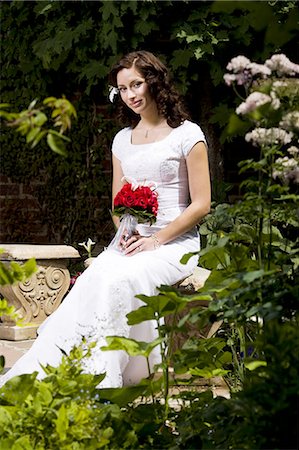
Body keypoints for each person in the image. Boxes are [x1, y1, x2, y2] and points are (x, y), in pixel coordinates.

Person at [0, 50, 211, 389]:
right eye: (123, 88)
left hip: (173, 244)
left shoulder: (187, 134)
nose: (131, 95)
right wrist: (125, 233)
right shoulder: (121, 140)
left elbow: (201, 204)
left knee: (119, 280)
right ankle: (72, 366)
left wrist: (156, 240)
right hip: (132, 240)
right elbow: (118, 203)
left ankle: (108, 375)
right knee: (95, 275)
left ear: (154, 82)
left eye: (137, 84)